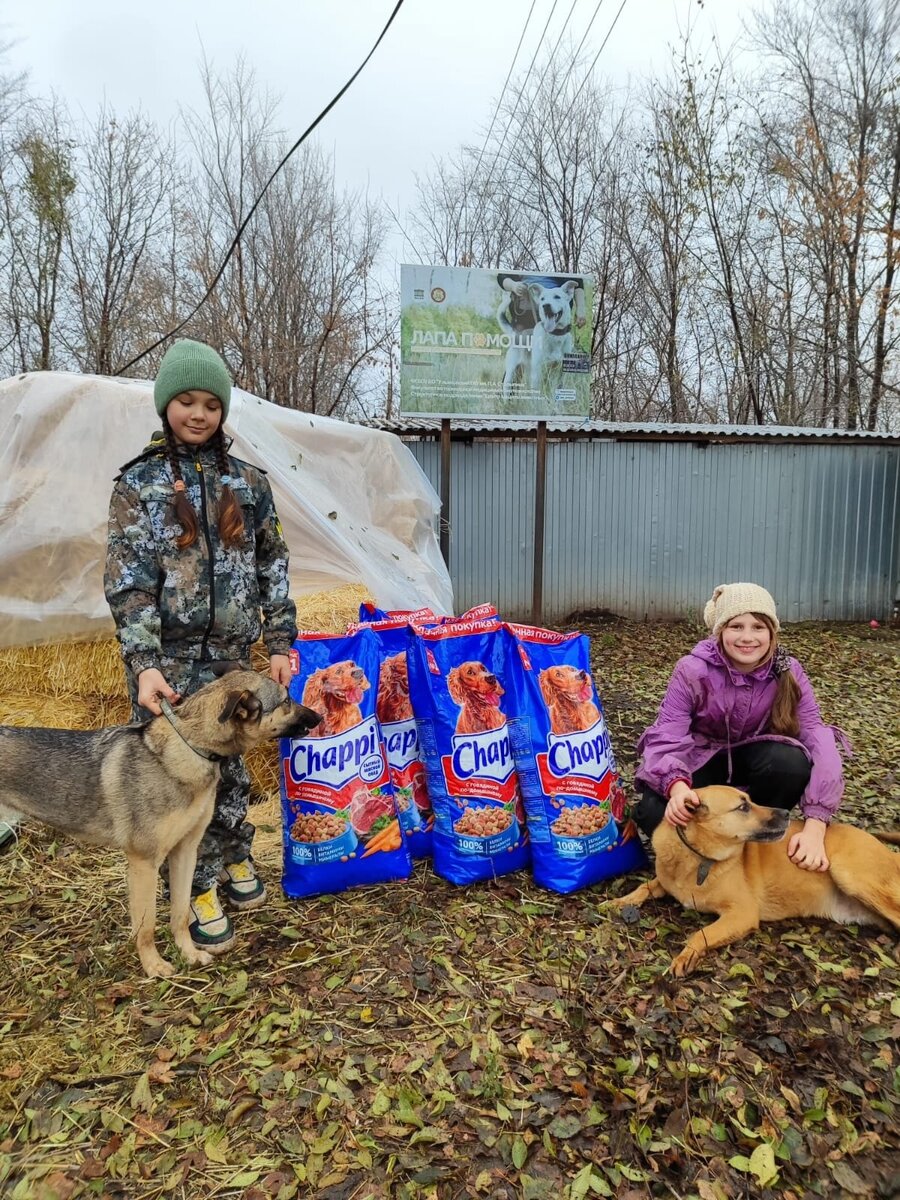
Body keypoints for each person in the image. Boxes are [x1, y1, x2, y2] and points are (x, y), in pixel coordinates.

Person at [104, 339, 298, 953]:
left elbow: (274, 565)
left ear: (223, 411)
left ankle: (235, 854)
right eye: (185, 401)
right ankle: (195, 887)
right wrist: (144, 665)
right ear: (166, 406)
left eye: (210, 404)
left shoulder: (248, 482)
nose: (198, 413)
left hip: (237, 658)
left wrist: (280, 641)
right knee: (174, 785)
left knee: (233, 772)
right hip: (174, 665)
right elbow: (126, 583)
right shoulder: (139, 485)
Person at [633, 582, 847, 872]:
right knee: (652, 812)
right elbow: (667, 735)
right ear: (721, 632)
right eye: (736, 626)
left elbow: (819, 740)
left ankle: (754, 847)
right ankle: (710, 848)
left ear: (772, 632)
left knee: (790, 762)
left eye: (758, 627)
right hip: (701, 760)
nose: (747, 637)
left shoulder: (788, 671)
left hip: (755, 764)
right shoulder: (691, 670)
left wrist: (816, 825)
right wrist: (678, 789)